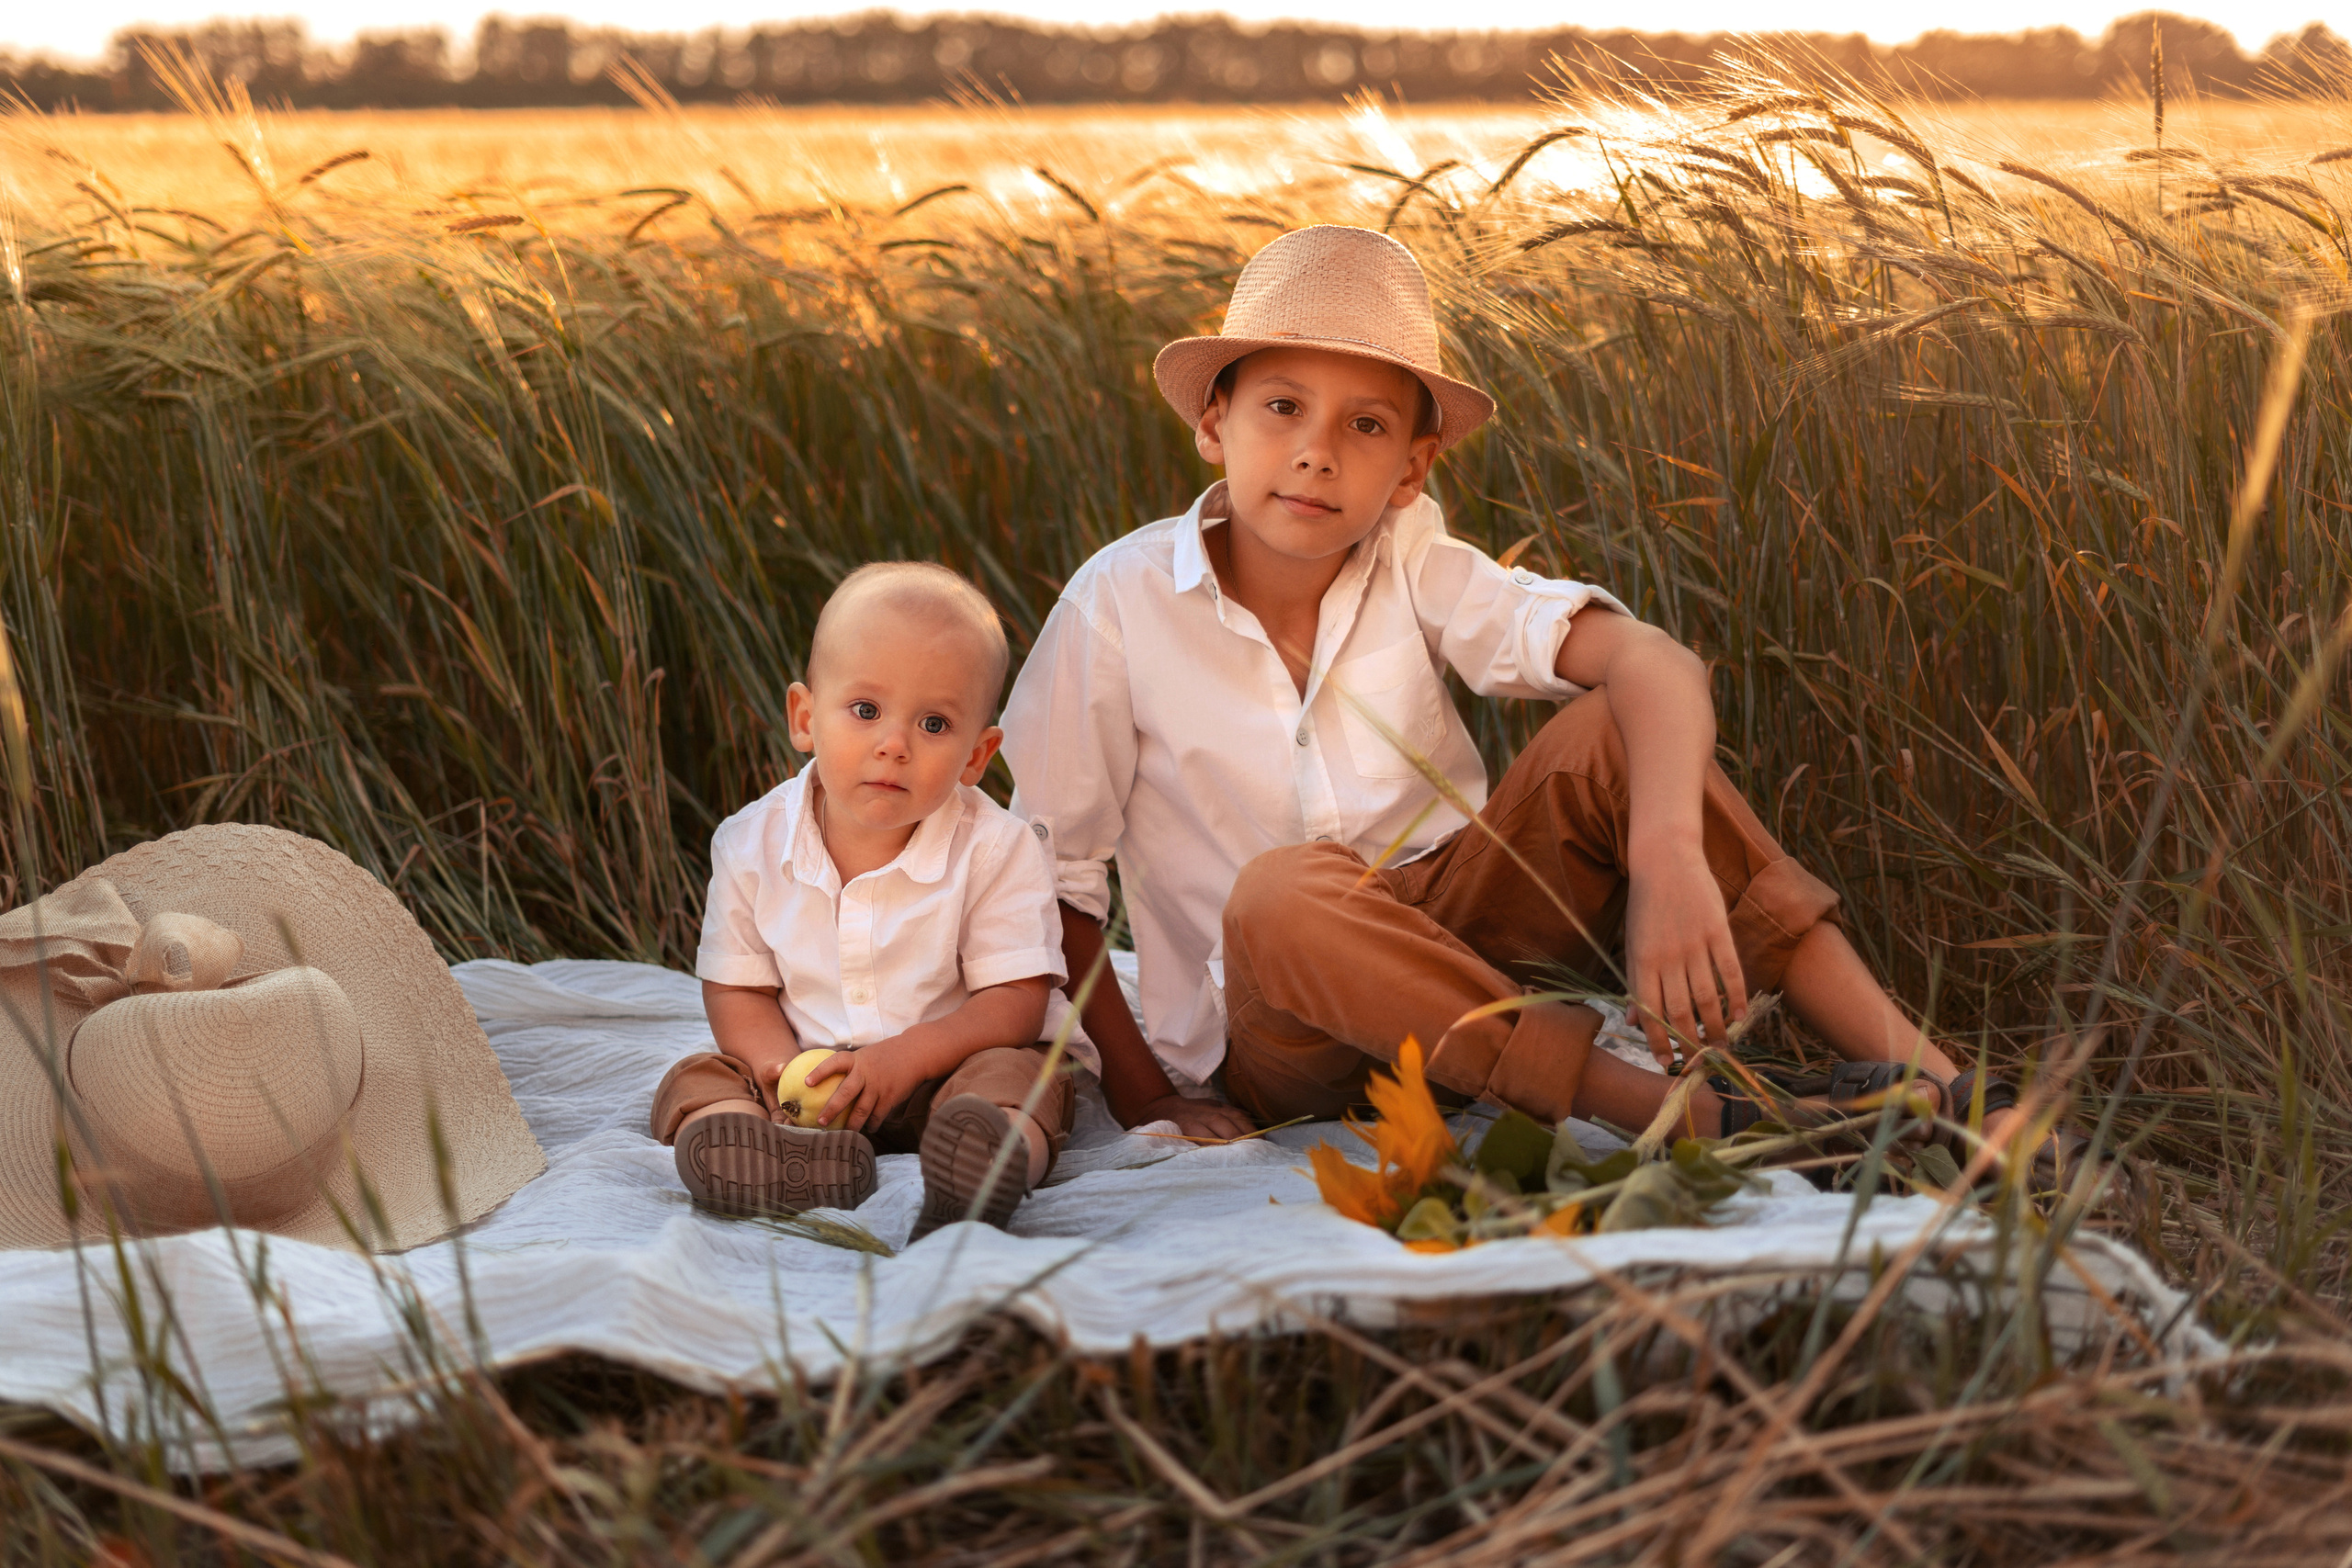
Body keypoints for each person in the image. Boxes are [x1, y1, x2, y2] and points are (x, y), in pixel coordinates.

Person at [1001, 223, 2035, 1160]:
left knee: (1616, 731)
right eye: (1282, 407)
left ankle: (1956, 1094)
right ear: (1213, 425)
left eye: (1365, 427)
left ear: (1411, 470)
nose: (1316, 450)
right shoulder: (1117, 607)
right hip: (1278, 1038)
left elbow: (1654, 663)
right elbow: (1055, 879)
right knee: (1281, 889)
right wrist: (1147, 1099)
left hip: (1456, 950)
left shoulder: (1411, 556)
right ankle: (1695, 1119)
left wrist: (1666, 856)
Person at [650, 562, 1078, 1240]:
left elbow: (1016, 1002)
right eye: (866, 710)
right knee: (698, 1075)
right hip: (806, 1080)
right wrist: (776, 1069)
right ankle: (769, 1156)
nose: (894, 745)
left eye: (934, 723)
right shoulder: (750, 843)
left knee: (1022, 1077)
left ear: (977, 755)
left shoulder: (998, 849)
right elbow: (739, 989)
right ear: (804, 716)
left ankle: (983, 1168)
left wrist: (908, 1056)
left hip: (944, 1079)